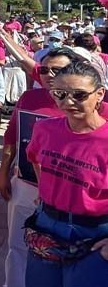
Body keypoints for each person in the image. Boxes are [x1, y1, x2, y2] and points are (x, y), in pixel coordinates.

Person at [0, 47, 85, 287]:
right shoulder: (29, 98)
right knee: (18, 244)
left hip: (65, 194)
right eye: (44, 69)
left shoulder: (86, 105)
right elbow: (12, 138)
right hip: (25, 185)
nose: (48, 74)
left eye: (57, 69)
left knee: (62, 249)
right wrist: (4, 173)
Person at [24, 62, 108, 286]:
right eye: (60, 94)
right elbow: (34, 158)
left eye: (79, 95)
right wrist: (47, 191)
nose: (67, 102)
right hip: (46, 227)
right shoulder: (45, 129)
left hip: (94, 234)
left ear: (99, 94)